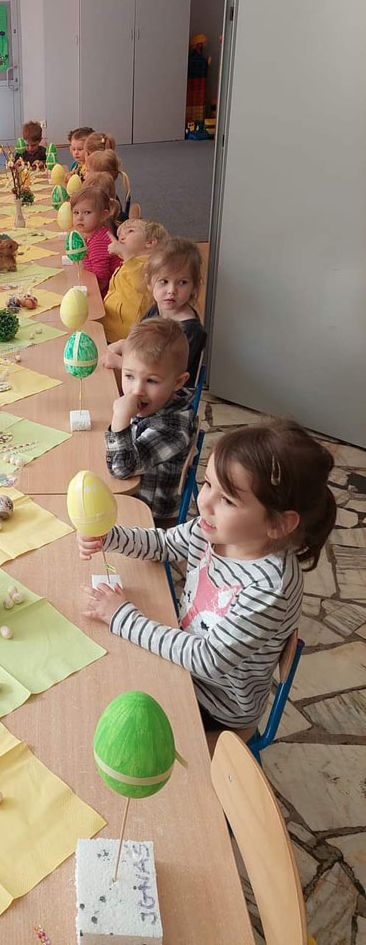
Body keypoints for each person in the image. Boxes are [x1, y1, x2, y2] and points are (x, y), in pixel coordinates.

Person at [78, 420, 336, 737]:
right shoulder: (214, 530)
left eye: (227, 500)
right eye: (207, 483)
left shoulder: (270, 589)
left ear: (279, 524)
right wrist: (110, 536)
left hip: (215, 703)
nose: (205, 502)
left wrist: (122, 617)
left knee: (105, 706)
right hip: (185, 660)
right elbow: (164, 544)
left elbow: (207, 659)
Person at [104, 317, 195, 525]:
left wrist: (120, 417)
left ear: (178, 382)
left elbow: (122, 469)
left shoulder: (172, 428)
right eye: (129, 376)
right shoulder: (154, 403)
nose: (137, 390)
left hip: (149, 519)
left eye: (151, 381)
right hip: (132, 497)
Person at [102, 238, 206, 384]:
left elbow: (164, 374)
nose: (171, 291)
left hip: (170, 393)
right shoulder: (156, 309)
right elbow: (139, 344)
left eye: (182, 282)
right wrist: (123, 344)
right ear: (150, 283)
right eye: (164, 281)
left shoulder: (190, 330)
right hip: (145, 385)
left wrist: (121, 363)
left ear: (194, 287)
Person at [101, 218, 169, 345]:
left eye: (130, 231)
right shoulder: (130, 263)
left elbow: (141, 284)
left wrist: (126, 255)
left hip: (126, 336)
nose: (122, 237)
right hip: (111, 327)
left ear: (150, 242)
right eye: (119, 235)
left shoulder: (151, 265)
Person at [72, 184, 119, 299]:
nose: (79, 218)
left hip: (105, 297)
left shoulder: (99, 242)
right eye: (76, 212)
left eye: (87, 212)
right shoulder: (91, 235)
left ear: (103, 215)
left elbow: (101, 281)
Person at [86, 149, 132, 223]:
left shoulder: (104, 201)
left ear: (99, 176)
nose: (84, 172)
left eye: (87, 170)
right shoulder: (108, 193)